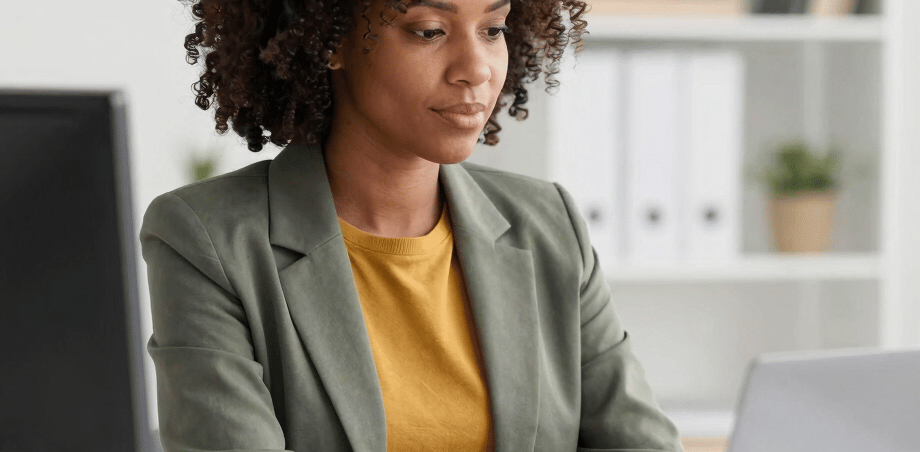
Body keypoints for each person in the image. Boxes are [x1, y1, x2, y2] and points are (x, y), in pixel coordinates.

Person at [140, 0, 684, 450]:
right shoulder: (206, 239)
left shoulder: (549, 226)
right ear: (330, 40)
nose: (477, 67)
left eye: (493, 29)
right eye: (429, 31)